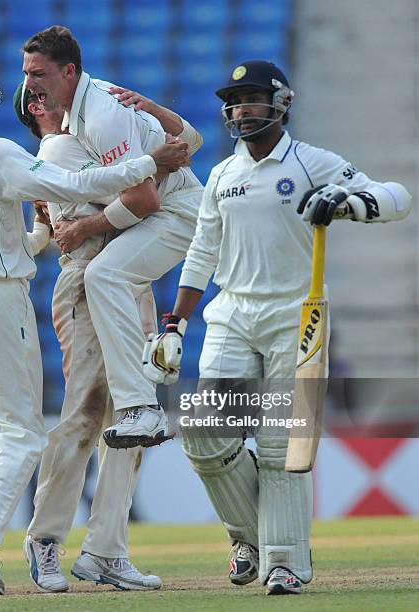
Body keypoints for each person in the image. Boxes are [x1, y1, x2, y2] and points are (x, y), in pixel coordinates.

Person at [0, 57, 188, 597]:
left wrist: (42, 231)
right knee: (22, 433)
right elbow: (81, 180)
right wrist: (147, 163)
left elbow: (8, 242)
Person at [142, 60, 411, 595]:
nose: (242, 109)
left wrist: (348, 201)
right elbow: (202, 252)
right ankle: (249, 537)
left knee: (279, 446)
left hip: (296, 317)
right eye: (235, 100)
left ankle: (285, 562)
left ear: (281, 103)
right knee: (201, 432)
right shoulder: (223, 174)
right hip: (232, 315)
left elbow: (398, 198)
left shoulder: (312, 163)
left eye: (253, 98)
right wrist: (175, 322)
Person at [13, 83, 203, 592]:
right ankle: (46, 540)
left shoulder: (75, 145)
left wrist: (158, 156)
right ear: (36, 115)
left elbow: (147, 180)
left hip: (119, 275)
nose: (54, 106)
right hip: (85, 276)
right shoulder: (56, 148)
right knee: (86, 411)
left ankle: (107, 551)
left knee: (128, 423)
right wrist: (158, 162)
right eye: (42, 102)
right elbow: (141, 196)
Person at [21, 25, 204, 450]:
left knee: (104, 276)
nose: (30, 85)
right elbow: (190, 143)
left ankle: (142, 408)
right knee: (108, 276)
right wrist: (156, 114)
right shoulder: (90, 102)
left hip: (180, 211)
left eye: (39, 74)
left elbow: (145, 200)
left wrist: (83, 227)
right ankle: (144, 398)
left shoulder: (100, 116)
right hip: (179, 203)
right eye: (27, 74)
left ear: (69, 72)